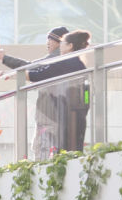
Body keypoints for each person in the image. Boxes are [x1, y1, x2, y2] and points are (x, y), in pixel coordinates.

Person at [26, 30, 92, 158]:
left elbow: (36, 76)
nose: (60, 45)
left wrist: (15, 75)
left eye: (63, 42)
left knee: (53, 157)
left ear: (70, 46)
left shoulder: (63, 62)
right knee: (73, 155)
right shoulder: (80, 65)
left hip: (58, 117)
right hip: (77, 118)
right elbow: (86, 95)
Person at [0, 26, 69, 74]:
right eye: (48, 39)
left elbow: (31, 67)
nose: (47, 43)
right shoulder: (59, 56)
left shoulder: (58, 56)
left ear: (60, 42)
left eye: (51, 39)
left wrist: (3, 57)